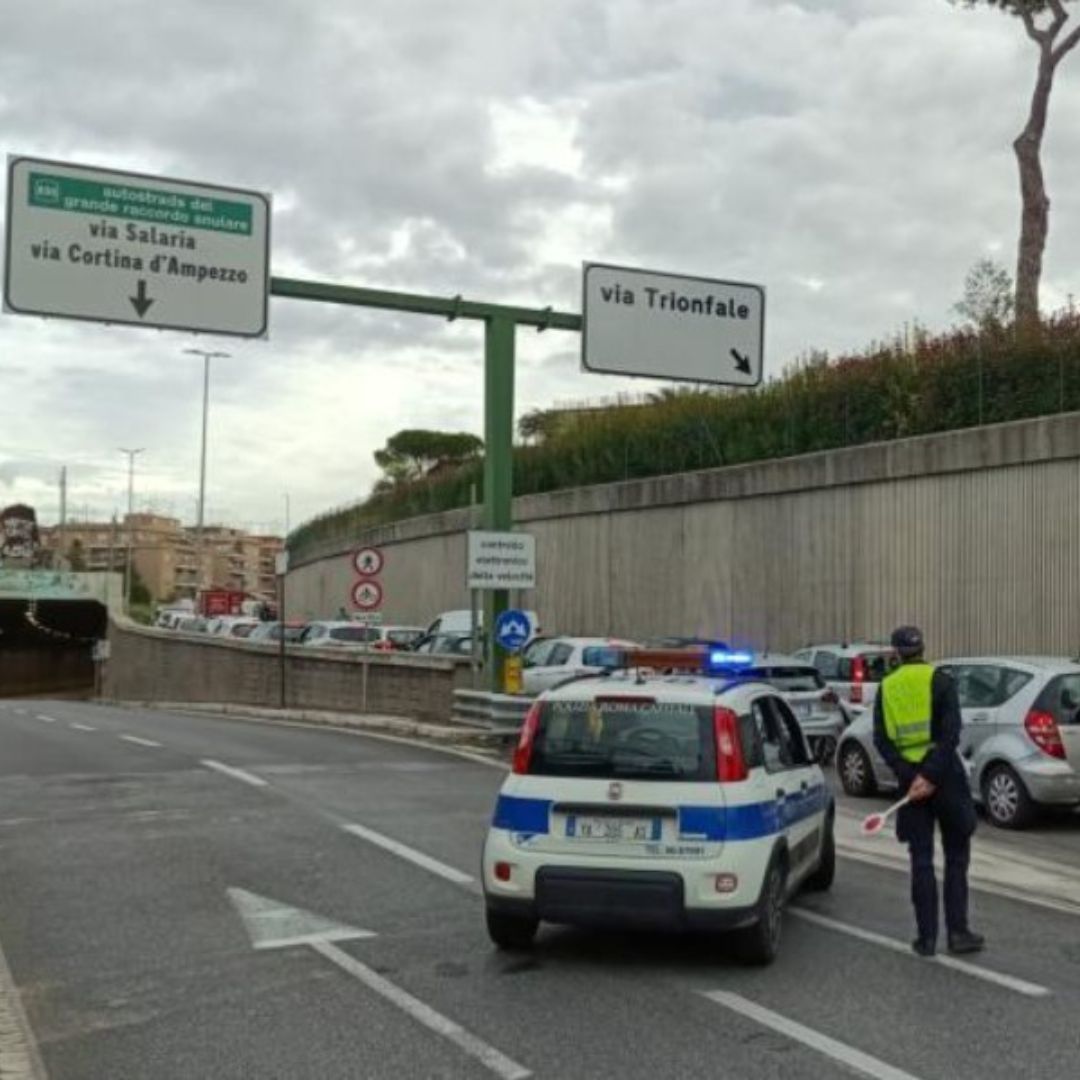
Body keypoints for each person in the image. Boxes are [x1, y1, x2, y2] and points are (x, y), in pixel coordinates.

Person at [873, 625, 985, 957]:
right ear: (923, 648)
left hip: (911, 782)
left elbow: (881, 739)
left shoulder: (887, 688)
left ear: (895, 653)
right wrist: (933, 775)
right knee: (956, 856)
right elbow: (952, 734)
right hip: (945, 777)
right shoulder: (942, 681)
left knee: (920, 860)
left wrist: (911, 775)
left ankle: (926, 939)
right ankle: (958, 933)